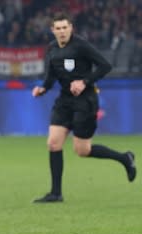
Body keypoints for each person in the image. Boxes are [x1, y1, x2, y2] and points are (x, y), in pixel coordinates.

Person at [31, 13, 136, 203]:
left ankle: (124, 158)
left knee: (82, 150)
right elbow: (50, 76)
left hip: (85, 101)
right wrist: (42, 88)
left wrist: (85, 81)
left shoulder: (81, 45)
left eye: (65, 27)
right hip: (64, 101)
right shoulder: (52, 49)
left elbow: (105, 65)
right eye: (58, 28)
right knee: (53, 143)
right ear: (52, 30)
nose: (62, 31)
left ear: (71, 28)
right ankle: (56, 193)